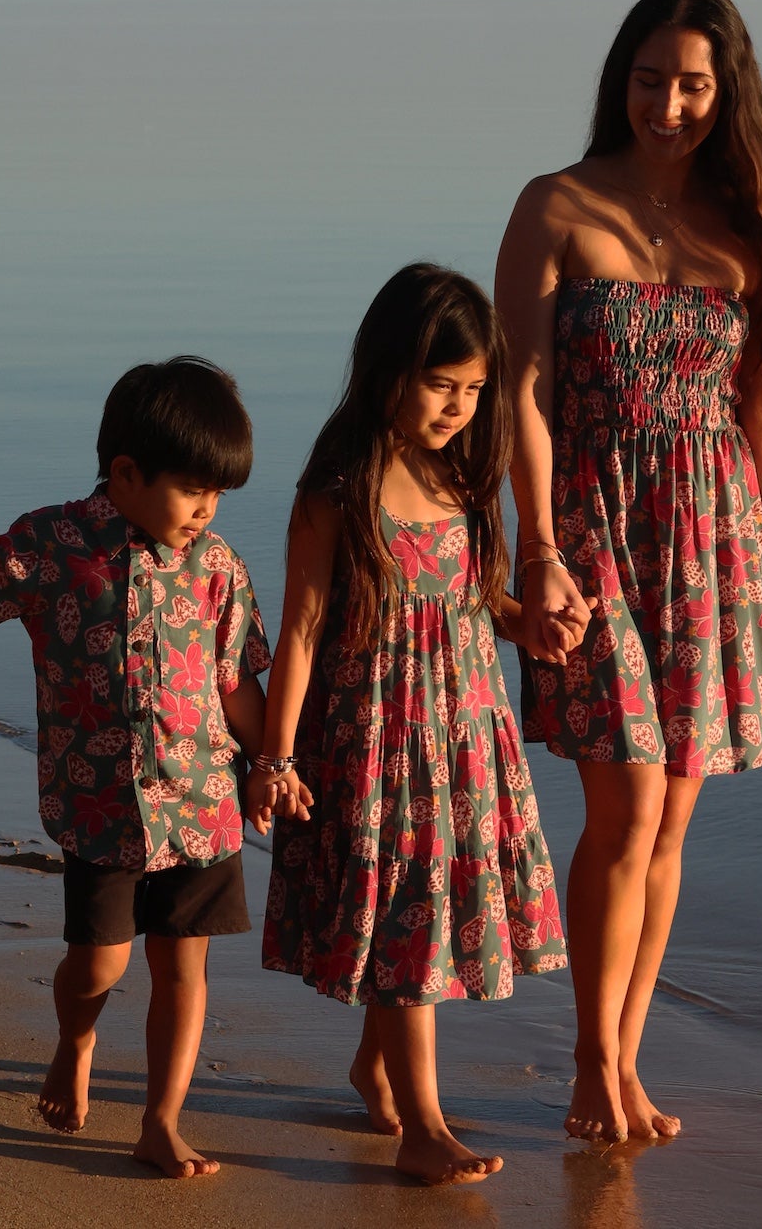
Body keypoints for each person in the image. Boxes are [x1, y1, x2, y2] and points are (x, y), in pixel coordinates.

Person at [494, 0, 762, 1146]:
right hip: (594, 538)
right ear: (621, 80)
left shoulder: (750, 229)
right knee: (626, 806)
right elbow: (523, 397)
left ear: (727, 94)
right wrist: (537, 549)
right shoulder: (555, 205)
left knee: (672, 823)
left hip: (714, 552)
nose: (670, 106)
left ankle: (627, 1062)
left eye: (693, 85)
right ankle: (591, 1063)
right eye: (651, 80)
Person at [0, 356, 271, 1180]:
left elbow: (236, 683)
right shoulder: (52, 542)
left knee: (183, 966)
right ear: (125, 472)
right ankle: (75, 1039)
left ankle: (160, 1120)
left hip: (202, 807)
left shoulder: (216, 565)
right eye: (192, 489)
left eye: (217, 494)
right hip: (100, 809)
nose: (206, 509)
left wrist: (274, 763)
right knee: (98, 965)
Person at [257, 265, 572, 1187]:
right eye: (441, 384)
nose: (458, 406)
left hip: (463, 729)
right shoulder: (338, 489)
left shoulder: (462, 474)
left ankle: (374, 1064)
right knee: (406, 911)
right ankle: (424, 1127)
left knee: (420, 910)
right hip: (375, 736)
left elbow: (469, 595)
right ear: (388, 368)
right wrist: (275, 756)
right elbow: (301, 630)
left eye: (472, 389)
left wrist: (526, 623)